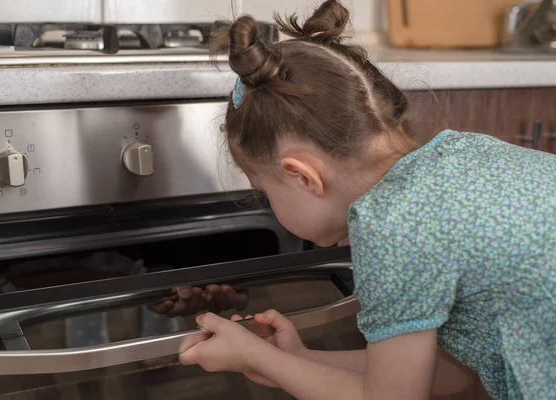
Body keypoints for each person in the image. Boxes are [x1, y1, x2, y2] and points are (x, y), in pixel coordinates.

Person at [176, 1, 556, 399]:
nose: (268, 203)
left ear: (302, 176)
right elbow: (449, 370)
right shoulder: (461, 153)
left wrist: (256, 358)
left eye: (264, 191)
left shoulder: (390, 228)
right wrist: (296, 360)